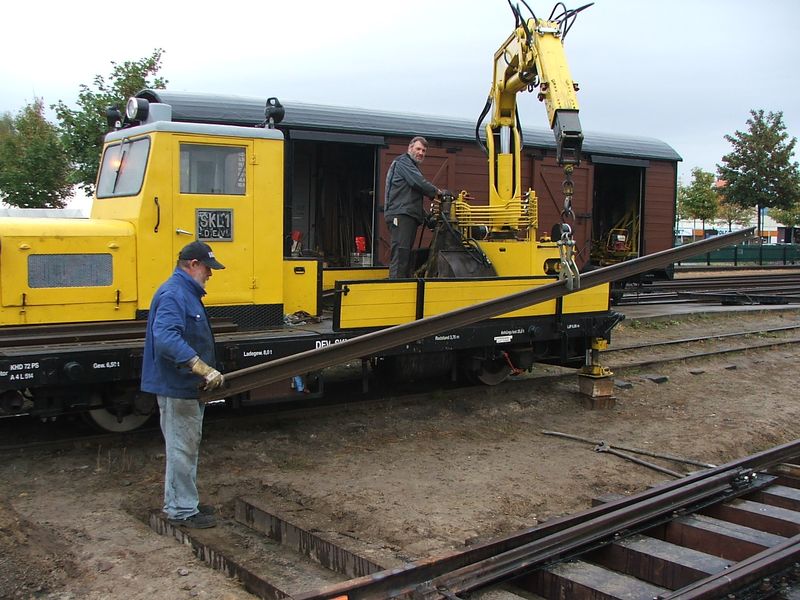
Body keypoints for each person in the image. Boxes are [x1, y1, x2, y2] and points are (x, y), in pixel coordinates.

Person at [141, 240, 227, 529]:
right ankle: (181, 510)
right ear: (192, 265)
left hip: (184, 386)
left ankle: (183, 501)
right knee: (182, 448)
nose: (210, 274)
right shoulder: (175, 294)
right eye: (208, 268)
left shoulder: (184, 293)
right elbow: (165, 338)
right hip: (177, 385)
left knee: (185, 446)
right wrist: (200, 367)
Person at [384, 136, 442, 278]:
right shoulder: (403, 162)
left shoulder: (411, 167)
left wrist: (428, 219)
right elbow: (418, 183)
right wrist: (438, 193)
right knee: (401, 252)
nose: (421, 152)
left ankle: (401, 283)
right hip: (400, 215)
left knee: (405, 253)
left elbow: (411, 200)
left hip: (406, 214)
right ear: (410, 148)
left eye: (423, 150)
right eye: (418, 149)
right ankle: (396, 288)